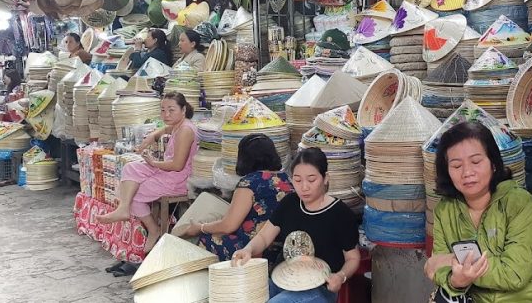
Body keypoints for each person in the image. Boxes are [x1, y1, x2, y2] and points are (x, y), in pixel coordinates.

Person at [424, 121, 532, 302]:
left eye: (476, 161)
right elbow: (436, 271)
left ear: (493, 164)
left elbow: (514, 275)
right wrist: (456, 282)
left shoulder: (520, 204)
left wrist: (453, 261)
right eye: (456, 166)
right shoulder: (445, 210)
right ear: (447, 171)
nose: (467, 172)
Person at [232, 147, 360, 303]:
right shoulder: (290, 203)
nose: (304, 187)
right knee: (240, 295)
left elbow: (353, 258)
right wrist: (248, 250)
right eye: (298, 180)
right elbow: (264, 237)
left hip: (319, 288)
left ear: (325, 178)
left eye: (311, 180)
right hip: (283, 280)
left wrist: (340, 276)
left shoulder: (340, 213)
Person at [97, 92, 199, 254]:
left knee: (134, 192)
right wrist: (152, 136)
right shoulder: (177, 125)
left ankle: (153, 229)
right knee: (130, 168)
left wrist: (154, 163)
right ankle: (123, 208)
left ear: (183, 110)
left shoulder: (186, 130)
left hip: (178, 178)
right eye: (163, 110)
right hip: (167, 170)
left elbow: (178, 165)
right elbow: (165, 128)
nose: (166, 114)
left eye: (171, 110)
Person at [182, 133, 294, 261]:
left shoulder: (250, 183)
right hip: (282, 246)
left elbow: (229, 226)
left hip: (255, 248)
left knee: (206, 239)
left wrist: (200, 228)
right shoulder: (286, 179)